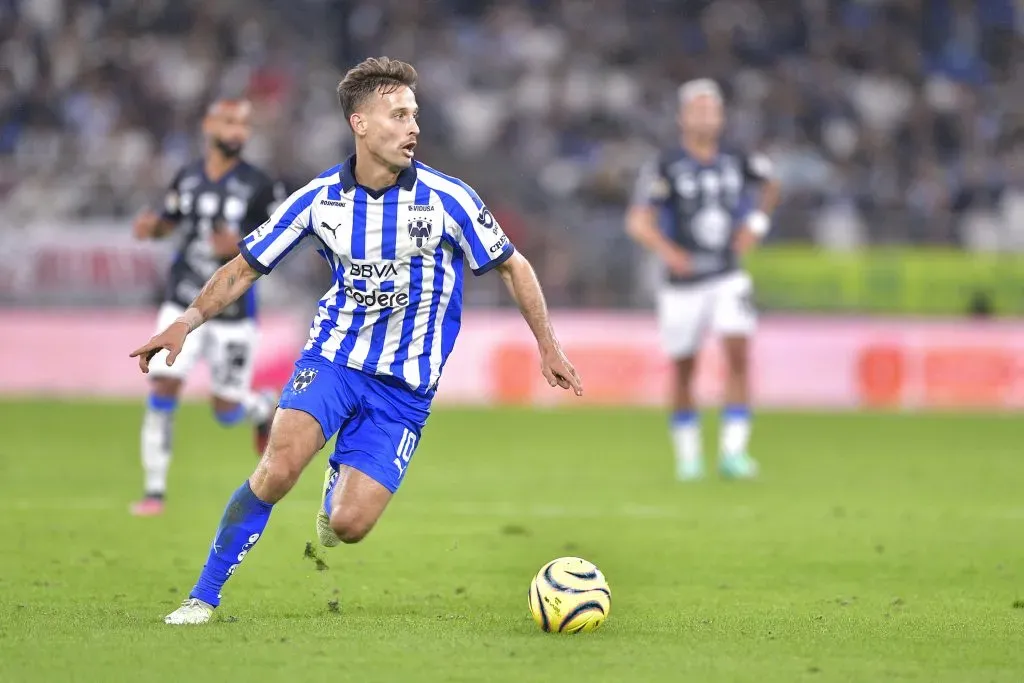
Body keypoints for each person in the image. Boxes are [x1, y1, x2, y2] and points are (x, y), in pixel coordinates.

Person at [129, 57, 582, 625]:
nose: (414, 126)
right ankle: (202, 596)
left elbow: (514, 266)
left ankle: (336, 487)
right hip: (335, 358)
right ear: (360, 124)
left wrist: (547, 344)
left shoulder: (450, 199)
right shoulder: (317, 200)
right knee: (277, 468)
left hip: (406, 386)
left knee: (349, 527)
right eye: (398, 114)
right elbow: (242, 269)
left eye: (415, 114)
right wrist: (186, 321)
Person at [130, 99, 285, 516]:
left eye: (245, 125)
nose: (239, 132)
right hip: (181, 301)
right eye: (231, 122)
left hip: (233, 314)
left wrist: (236, 248)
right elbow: (170, 220)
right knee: (163, 384)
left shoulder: (261, 185)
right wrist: (153, 228)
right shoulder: (187, 177)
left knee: (227, 410)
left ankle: (262, 407)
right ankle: (154, 491)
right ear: (209, 125)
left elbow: (278, 243)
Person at [626, 79, 780, 481]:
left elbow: (771, 184)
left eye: (712, 110)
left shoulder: (737, 157)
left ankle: (733, 453)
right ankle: (689, 458)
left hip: (728, 274)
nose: (706, 117)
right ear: (682, 117)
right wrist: (667, 251)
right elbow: (638, 220)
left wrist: (756, 225)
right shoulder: (665, 165)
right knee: (683, 367)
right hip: (684, 282)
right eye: (698, 109)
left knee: (739, 354)